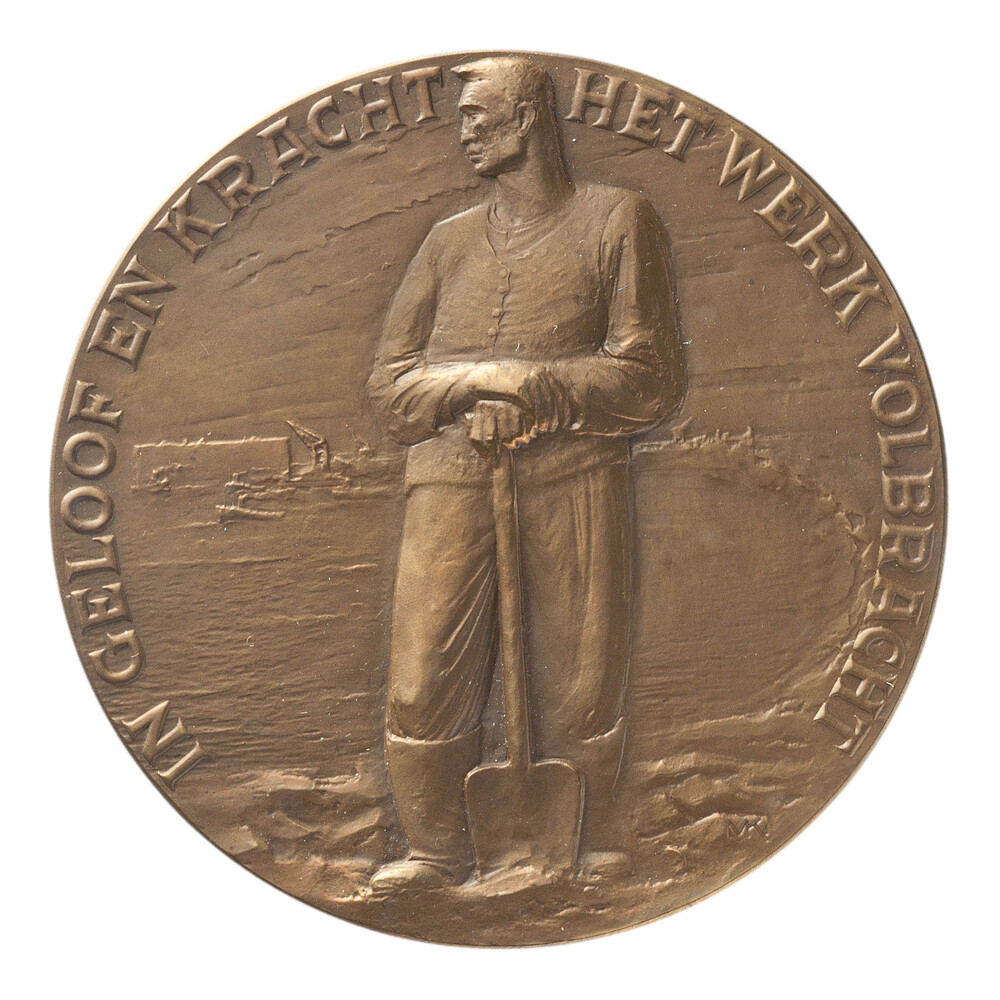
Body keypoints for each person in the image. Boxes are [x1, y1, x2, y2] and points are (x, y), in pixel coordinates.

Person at [366, 55, 685, 892]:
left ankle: (579, 842)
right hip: (448, 479)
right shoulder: (446, 243)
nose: (464, 132)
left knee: (580, 674)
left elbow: (650, 377)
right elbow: (390, 390)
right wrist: (477, 383)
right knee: (422, 674)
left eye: (479, 115)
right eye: (462, 117)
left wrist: (540, 386)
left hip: (575, 475)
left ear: (529, 118)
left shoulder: (617, 219)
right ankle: (436, 850)